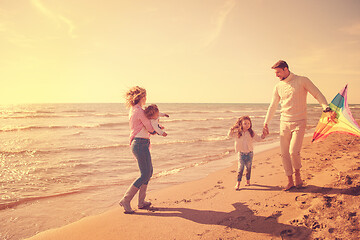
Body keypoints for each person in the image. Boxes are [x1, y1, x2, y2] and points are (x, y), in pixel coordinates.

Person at [263, 60, 334, 191]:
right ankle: (290, 181)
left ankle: (298, 175)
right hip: (284, 122)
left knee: (293, 152)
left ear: (285, 69)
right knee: (284, 154)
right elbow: (272, 106)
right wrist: (265, 123)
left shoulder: (302, 80)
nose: (276, 75)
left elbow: (317, 94)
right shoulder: (278, 87)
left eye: (278, 72)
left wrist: (326, 107)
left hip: (299, 122)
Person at [119, 86, 167, 214]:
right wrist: (158, 129)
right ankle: (126, 200)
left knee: (149, 171)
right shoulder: (139, 111)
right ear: (140, 97)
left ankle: (141, 202)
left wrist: (156, 126)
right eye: (145, 96)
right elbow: (150, 128)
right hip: (140, 144)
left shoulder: (135, 109)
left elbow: (146, 125)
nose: (146, 98)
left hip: (141, 143)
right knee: (145, 174)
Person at [228, 116, 266, 190]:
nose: (247, 125)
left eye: (248, 123)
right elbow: (229, 135)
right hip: (241, 154)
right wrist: (232, 128)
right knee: (240, 168)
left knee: (248, 168)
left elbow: (258, 139)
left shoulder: (251, 132)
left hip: (249, 154)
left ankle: (248, 180)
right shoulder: (237, 132)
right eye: (245, 123)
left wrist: (263, 135)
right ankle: (238, 183)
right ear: (241, 124)